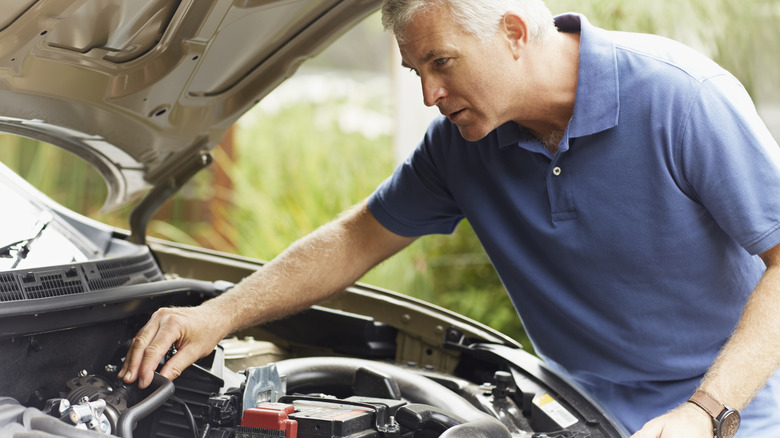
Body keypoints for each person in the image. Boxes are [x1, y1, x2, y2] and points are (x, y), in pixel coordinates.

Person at [119, 0, 780, 436]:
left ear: (515, 33)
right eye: (415, 71)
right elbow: (356, 236)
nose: (430, 95)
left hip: (734, 405)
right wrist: (218, 315)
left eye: (442, 63)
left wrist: (705, 411)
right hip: (580, 408)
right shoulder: (463, 146)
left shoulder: (680, 98)